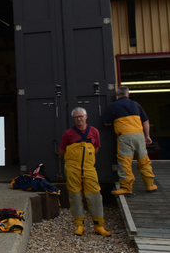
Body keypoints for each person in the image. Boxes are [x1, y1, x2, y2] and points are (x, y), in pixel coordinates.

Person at [58, 108, 111, 236]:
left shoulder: (94, 131)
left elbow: (96, 148)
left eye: (81, 116)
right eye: (76, 117)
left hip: (89, 168)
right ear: (74, 119)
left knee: (95, 195)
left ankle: (99, 226)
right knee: (75, 196)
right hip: (72, 168)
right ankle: (79, 225)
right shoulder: (68, 134)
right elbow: (61, 152)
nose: (79, 119)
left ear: (86, 116)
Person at [103, 86, 157, 195]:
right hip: (139, 136)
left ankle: (126, 187)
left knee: (125, 162)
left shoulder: (113, 106)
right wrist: (147, 136)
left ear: (117, 94)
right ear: (128, 94)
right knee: (144, 160)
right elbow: (145, 121)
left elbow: (106, 123)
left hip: (125, 136)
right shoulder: (136, 105)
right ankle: (150, 185)